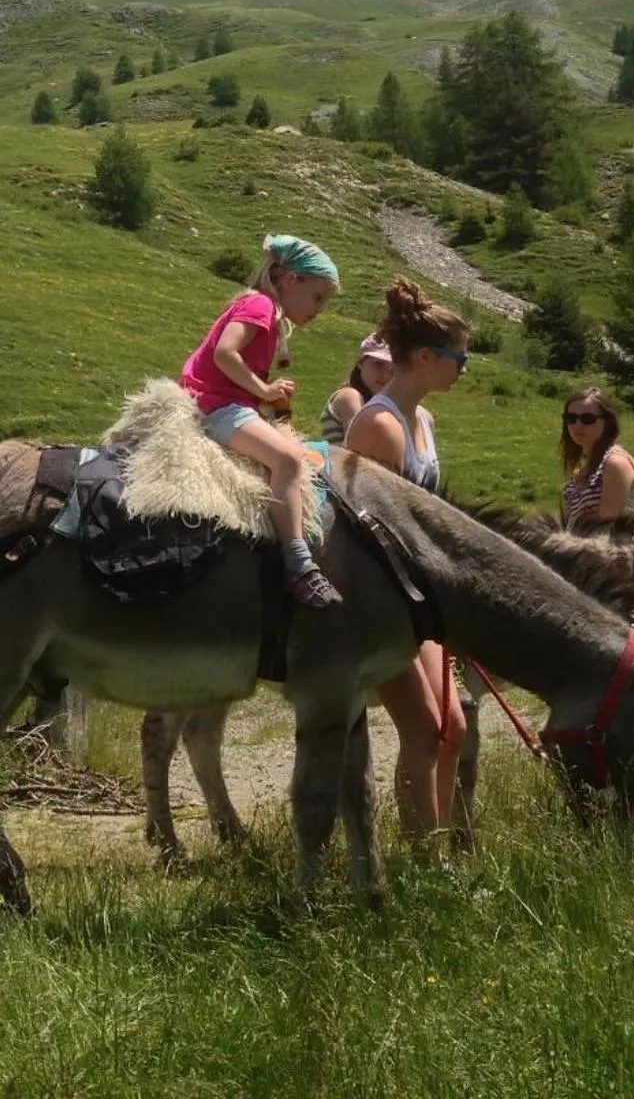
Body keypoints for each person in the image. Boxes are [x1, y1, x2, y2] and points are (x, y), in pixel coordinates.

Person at [342, 279, 471, 849]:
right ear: (424, 358)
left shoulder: (423, 422)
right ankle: (425, 860)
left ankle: (437, 846)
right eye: (457, 357)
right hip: (380, 598)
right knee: (423, 730)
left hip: (419, 597)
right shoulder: (381, 426)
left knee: (454, 728)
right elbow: (374, 531)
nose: (463, 368)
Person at [180, 233, 344, 607]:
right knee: (287, 460)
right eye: (317, 296)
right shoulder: (260, 306)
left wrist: (263, 392)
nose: (319, 309)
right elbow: (225, 354)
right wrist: (264, 391)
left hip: (225, 403)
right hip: (218, 406)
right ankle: (299, 563)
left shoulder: (262, 309)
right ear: (290, 280)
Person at [559, 388, 634, 529]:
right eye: (571, 419)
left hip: (613, 548)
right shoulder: (584, 466)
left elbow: (608, 519)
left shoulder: (615, 463)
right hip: (579, 545)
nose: (578, 426)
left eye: (588, 419)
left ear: (607, 422)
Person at [319, 333, 395, 445]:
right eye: (378, 364)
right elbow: (360, 446)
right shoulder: (350, 396)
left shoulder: (378, 402)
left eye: (392, 370)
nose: (385, 375)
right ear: (360, 362)